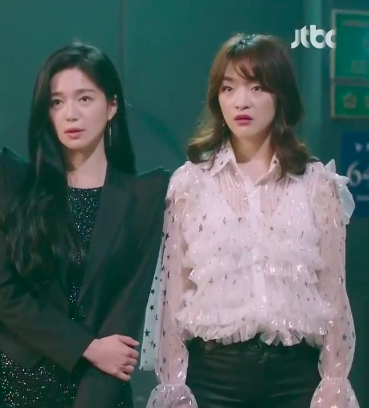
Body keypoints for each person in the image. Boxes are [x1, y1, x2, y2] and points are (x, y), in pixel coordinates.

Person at [140, 33, 359, 408]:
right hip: (214, 379)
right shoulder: (189, 184)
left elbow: (333, 294)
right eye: (229, 88)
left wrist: (334, 381)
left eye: (257, 87)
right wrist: (175, 384)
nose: (241, 101)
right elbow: (172, 296)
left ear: (280, 95)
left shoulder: (317, 185)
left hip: (296, 379)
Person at [0, 42, 170, 408]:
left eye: (84, 99)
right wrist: (87, 347)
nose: (70, 114)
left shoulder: (143, 197)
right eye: (57, 102)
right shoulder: (15, 182)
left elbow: (126, 311)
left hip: (98, 388)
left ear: (112, 105)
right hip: (19, 384)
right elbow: (3, 295)